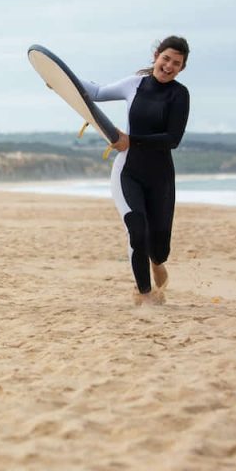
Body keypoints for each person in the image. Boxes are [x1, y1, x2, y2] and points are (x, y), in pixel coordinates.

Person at [84, 36, 191, 305]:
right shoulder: (135, 84)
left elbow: (172, 139)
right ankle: (144, 294)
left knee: (159, 245)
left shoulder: (179, 95)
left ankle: (156, 261)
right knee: (137, 228)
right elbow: (97, 93)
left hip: (161, 176)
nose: (169, 66)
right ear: (156, 56)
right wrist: (62, 80)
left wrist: (132, 140)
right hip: (128, 171)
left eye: (176, 63)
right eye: (166, 59)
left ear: (181, 68)